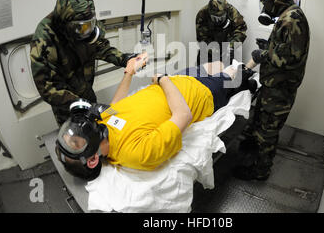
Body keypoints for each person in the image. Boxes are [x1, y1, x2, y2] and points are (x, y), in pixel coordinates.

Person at [54, 55, 256, 181]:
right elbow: (183, 115)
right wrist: (163, 80)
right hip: (200, 93)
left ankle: (242, 76)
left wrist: (129, 72)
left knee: (218, 64)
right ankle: (249, 73)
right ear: (92, 160)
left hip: (177, 81)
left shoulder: (100, 126)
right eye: (76, 140)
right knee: (233, 74)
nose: (79, 129)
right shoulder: (137, 152)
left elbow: (115, 106)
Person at [30, 0, 142, 126]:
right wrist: (80, 105)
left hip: (86, 91)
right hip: (67, 104)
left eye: (89, 26)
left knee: (95, 129)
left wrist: (124, 59)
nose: (86, 32)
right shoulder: (44, 39)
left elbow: (100, 47)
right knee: (76, 138)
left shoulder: (85, 25)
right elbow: (47, 87)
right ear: (68, 22)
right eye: (81, 28)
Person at [232, 0, 310, 181]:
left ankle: (260, 171)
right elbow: (287, 47)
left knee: (268, 132)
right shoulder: (287, 15)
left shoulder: (292, 19)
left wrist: (264, 54)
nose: (265, 10)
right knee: (259, 123)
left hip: (280, 89)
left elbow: (292, 57)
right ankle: (249, 153)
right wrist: (269, 46)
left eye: (267, 5)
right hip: (272, 86)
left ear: (277, 1)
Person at [195, 0, 247, 65]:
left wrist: (231, 46)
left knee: (225, 73)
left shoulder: (232, 11)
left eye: (221, 17)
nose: (218, 21)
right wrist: (215, 51)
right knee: (202, 73)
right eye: (215, 18)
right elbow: (202, 37)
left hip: (227, 47)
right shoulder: (202, 13)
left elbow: (241, 30)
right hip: (208, 49)